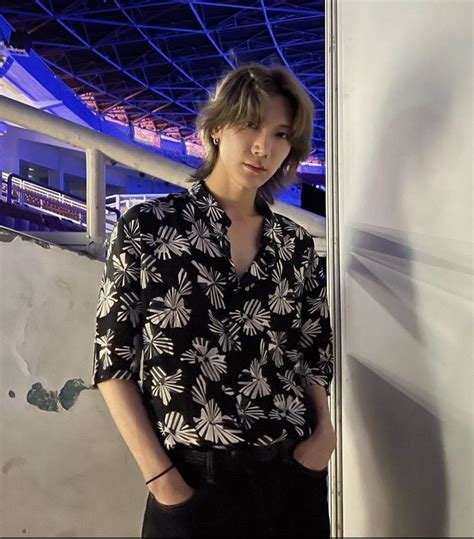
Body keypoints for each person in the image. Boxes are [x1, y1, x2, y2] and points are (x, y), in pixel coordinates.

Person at [92, 62, 336, 538]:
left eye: (281, 134)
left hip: (290, 476)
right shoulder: (149, 228)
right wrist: (163, 481)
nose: (264, 147)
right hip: (189, 481)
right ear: (217, 127)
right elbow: (112, 362)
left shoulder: (294, 244)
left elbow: (313, 353)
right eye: (251, 125)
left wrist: (323, 435)